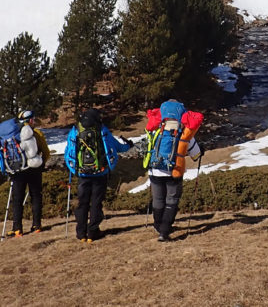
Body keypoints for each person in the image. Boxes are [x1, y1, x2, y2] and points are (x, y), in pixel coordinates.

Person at [64, 108, 131, 242]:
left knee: (83, 203)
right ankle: (92, 232)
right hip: (100, 172)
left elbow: (69, 151)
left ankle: (81, 233)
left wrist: (72, 168)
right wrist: (128, 145)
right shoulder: (102, 131)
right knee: (96, 203)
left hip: (82, 173)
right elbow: (117, 147)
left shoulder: (75, 131)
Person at [143, 99, 203, 242]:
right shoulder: (184, 131)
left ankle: (158, 226)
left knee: (158, 199)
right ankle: (164, 231)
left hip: (155, 170)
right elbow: (196, 154)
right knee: (172, 200)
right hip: (174, 171)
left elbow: (148, 147)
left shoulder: (156, 128)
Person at [9, 109, 49, 236]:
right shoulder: (36, 133)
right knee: (36, 196)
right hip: (34, 169)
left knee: (17, 199)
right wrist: (41, 163)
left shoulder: (12, 134)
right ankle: (36, 225)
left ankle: (17, 228)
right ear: (30, 120)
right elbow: (46, 152)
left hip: (18, 170)